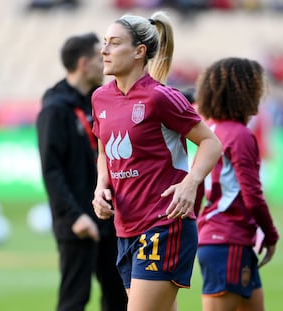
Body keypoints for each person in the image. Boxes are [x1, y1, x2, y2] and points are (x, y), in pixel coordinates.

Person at [91, 11, 222, 311]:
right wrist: (100, 188)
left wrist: (190, 184)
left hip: (164, 224)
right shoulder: (100, 97)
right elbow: (103, 152)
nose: (104, 50)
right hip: (125, 228)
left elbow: (211, 143)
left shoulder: (160, 97)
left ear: (139, 52)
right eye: (104, 42)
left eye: (114, 43)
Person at [36, 33, 127, 311]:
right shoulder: (55, 109)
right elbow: (51, 171)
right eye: (100, 57)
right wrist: (74, 216)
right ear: (84, 64)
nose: (105, 63)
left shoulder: (98, 102)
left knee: (119, 296)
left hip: (107, 216)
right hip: (76, 221)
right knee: (75, 299)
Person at [195, 57, 280, 311]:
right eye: (256, 88)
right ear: (244, 92)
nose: (260, 95)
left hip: (224, 239)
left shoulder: (210, 129)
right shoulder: (240, 135)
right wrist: (271, 234)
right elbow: (252, 194)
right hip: (227, 240)